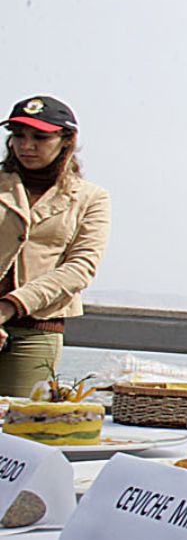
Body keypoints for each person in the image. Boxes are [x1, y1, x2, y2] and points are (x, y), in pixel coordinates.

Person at [0, 96, 111, 398]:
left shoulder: (90, 198)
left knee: (17, 429)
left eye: (40, 137)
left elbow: (80, 268)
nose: (26, 145)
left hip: (37, 330)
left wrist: (9, 306)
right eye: (18, 135)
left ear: (66, 141)